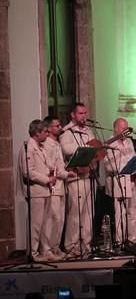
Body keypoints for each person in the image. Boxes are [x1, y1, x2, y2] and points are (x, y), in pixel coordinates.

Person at [18, 120, 73, 261]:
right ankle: (33, 254)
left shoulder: (38, 146)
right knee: (35, 224)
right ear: (37, 133)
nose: (47, 134)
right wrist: (47, 179)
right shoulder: (28, 147)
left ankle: (40, 252)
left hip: (43, 191)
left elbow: (38, 166)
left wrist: (48, 170)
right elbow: (28, 172)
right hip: (36, 191)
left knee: (42, 224)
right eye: (45, 132)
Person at [60, 103, 97, 257]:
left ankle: (85, 244)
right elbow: (66, 148)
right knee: (75, 214)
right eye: (81, 113)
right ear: (73, 115)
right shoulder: (67, 131)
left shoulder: (88, 131)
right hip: (75, 177)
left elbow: (95, 146)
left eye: (85, 113)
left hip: (87, 175)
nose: (84, 116)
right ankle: (72, 246)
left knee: (88, 214)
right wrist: (84, 148)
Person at [103, 117, 136, 246]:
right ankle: (120, 240)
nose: (126, 130)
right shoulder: (109, 143)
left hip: (131, 180)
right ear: (116, 129)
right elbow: (108, 166)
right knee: (120, 212)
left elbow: (133, 157)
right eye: (123, 128)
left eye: (127, 127)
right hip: (118, 180)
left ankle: (133, 239)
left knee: (134, 212)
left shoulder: (129, 141)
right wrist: (123, 169)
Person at [43, 115, 70, 258]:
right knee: (52, 218)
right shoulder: (46, 144)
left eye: (60, 125)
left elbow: (60, 164)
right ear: (48, 128)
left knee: (60, 219)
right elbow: (51, 166)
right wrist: (66, 174)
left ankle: (55, 247)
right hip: (53, 185)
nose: (60, 128)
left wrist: (67, 169)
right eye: (56, 126)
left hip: (61, 185)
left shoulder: (57, 143)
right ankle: (47, 249)